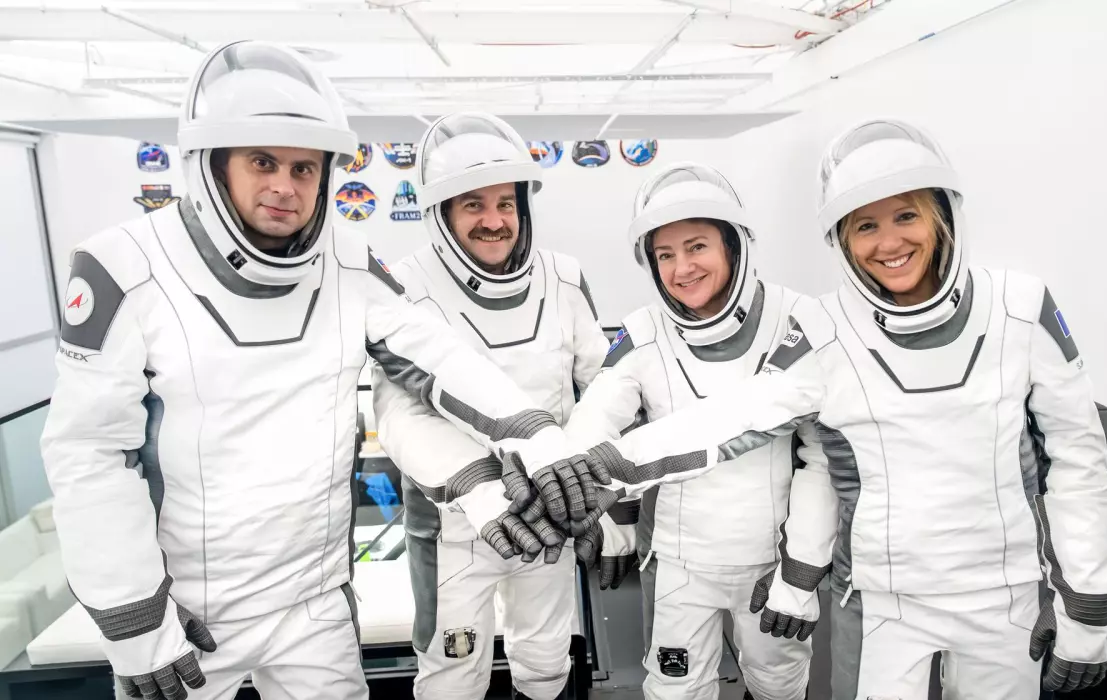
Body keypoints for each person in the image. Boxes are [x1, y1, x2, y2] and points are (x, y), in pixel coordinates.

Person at [41, 42, 588, 700]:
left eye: (304, 168)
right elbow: (89, 452)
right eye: (262, 161)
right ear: (210, 163)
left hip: (316, 602)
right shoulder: (125, 267)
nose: (285, 186)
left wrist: (536, 435)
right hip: (185, 613)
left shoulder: (349, 265)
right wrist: (131, 611)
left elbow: (436, 355)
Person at [508, 119, 1107, 699]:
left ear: (943, 215)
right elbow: (729, 419)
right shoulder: (826, 328)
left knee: (779, 682)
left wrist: (1086, 607)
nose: (889, 242)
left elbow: (1078, 461)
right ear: (842, 240)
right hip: (881, 600)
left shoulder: (1020, 307)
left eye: (906, 215)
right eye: (865, 226)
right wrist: (574, 469)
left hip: (1003, 596)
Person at [564, 162, 835, 700]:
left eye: (696, 247)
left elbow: (823, 458)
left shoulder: (800, 319)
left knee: (778, 688)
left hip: (769, 564)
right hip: (679, 562)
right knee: (674, 690)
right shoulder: (643, 332)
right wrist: (604, 514)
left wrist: (802, 567)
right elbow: (594, 422)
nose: (681, 268)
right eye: (665, 255)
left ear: (733, 246)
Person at [370, 112, 610, 700]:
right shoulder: (404, 287)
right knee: (451, 672)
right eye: (473, 204)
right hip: (453, 521)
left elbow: (601, 385)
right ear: (440, 212)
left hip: (549, 511)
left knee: (548, 658)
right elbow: (399, 415)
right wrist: (477, 486)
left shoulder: (564, 277)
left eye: (506, 203)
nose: (495, 220)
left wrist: (601, 496)